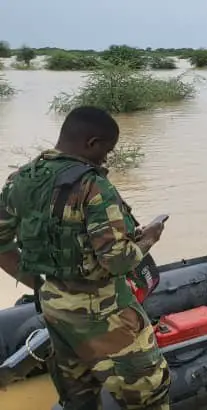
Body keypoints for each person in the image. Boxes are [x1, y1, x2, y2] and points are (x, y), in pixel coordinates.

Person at [0, 106, 171, 409]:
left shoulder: (21, 180)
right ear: (91, 143)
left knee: (77, 398)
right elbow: (117, 260)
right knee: (149, 394)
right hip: (106, 316)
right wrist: (148, 238)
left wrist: (39, 285)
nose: (106, 159)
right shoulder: (93, 186)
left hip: (55, 309)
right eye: (106, 150)